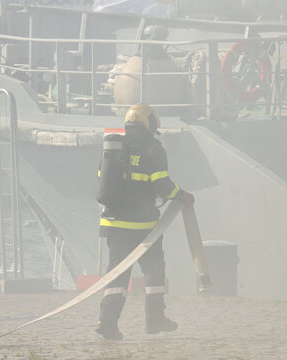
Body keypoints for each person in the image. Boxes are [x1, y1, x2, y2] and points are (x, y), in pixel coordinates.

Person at [95, 103, 195, 340]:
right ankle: (155, 320)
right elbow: (162, 185)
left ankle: (107, 323)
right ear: (149, 123)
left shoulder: (114, 147)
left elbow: (103, 181)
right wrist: (183, 196)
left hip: (113, 224)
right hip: (143, 228)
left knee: (117, 276)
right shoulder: (153, 149)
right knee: (154, 271)